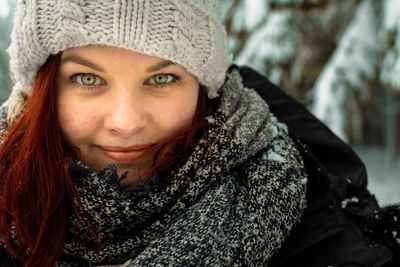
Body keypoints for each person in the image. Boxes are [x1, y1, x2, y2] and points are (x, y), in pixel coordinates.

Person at [0, 1, 398, 267]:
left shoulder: (321, 232)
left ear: (204, 88)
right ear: (40, 90)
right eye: (87, 78)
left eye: (162, 77)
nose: (125, 122)